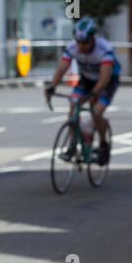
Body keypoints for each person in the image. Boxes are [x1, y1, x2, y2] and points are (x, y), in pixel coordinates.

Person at [45, 17, 121, 166]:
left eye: (84, 42)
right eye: (78, 42)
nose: (81, 46)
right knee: (73, 103)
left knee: (97, 111)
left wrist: (93, 94)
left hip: (107, 81)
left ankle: (103, 144)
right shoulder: (73, 47)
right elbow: (61, 69)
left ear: (93, 38)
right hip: (86, 79)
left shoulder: (104, 49)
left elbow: (105, 78)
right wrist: (52, 87)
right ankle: (72, 146)